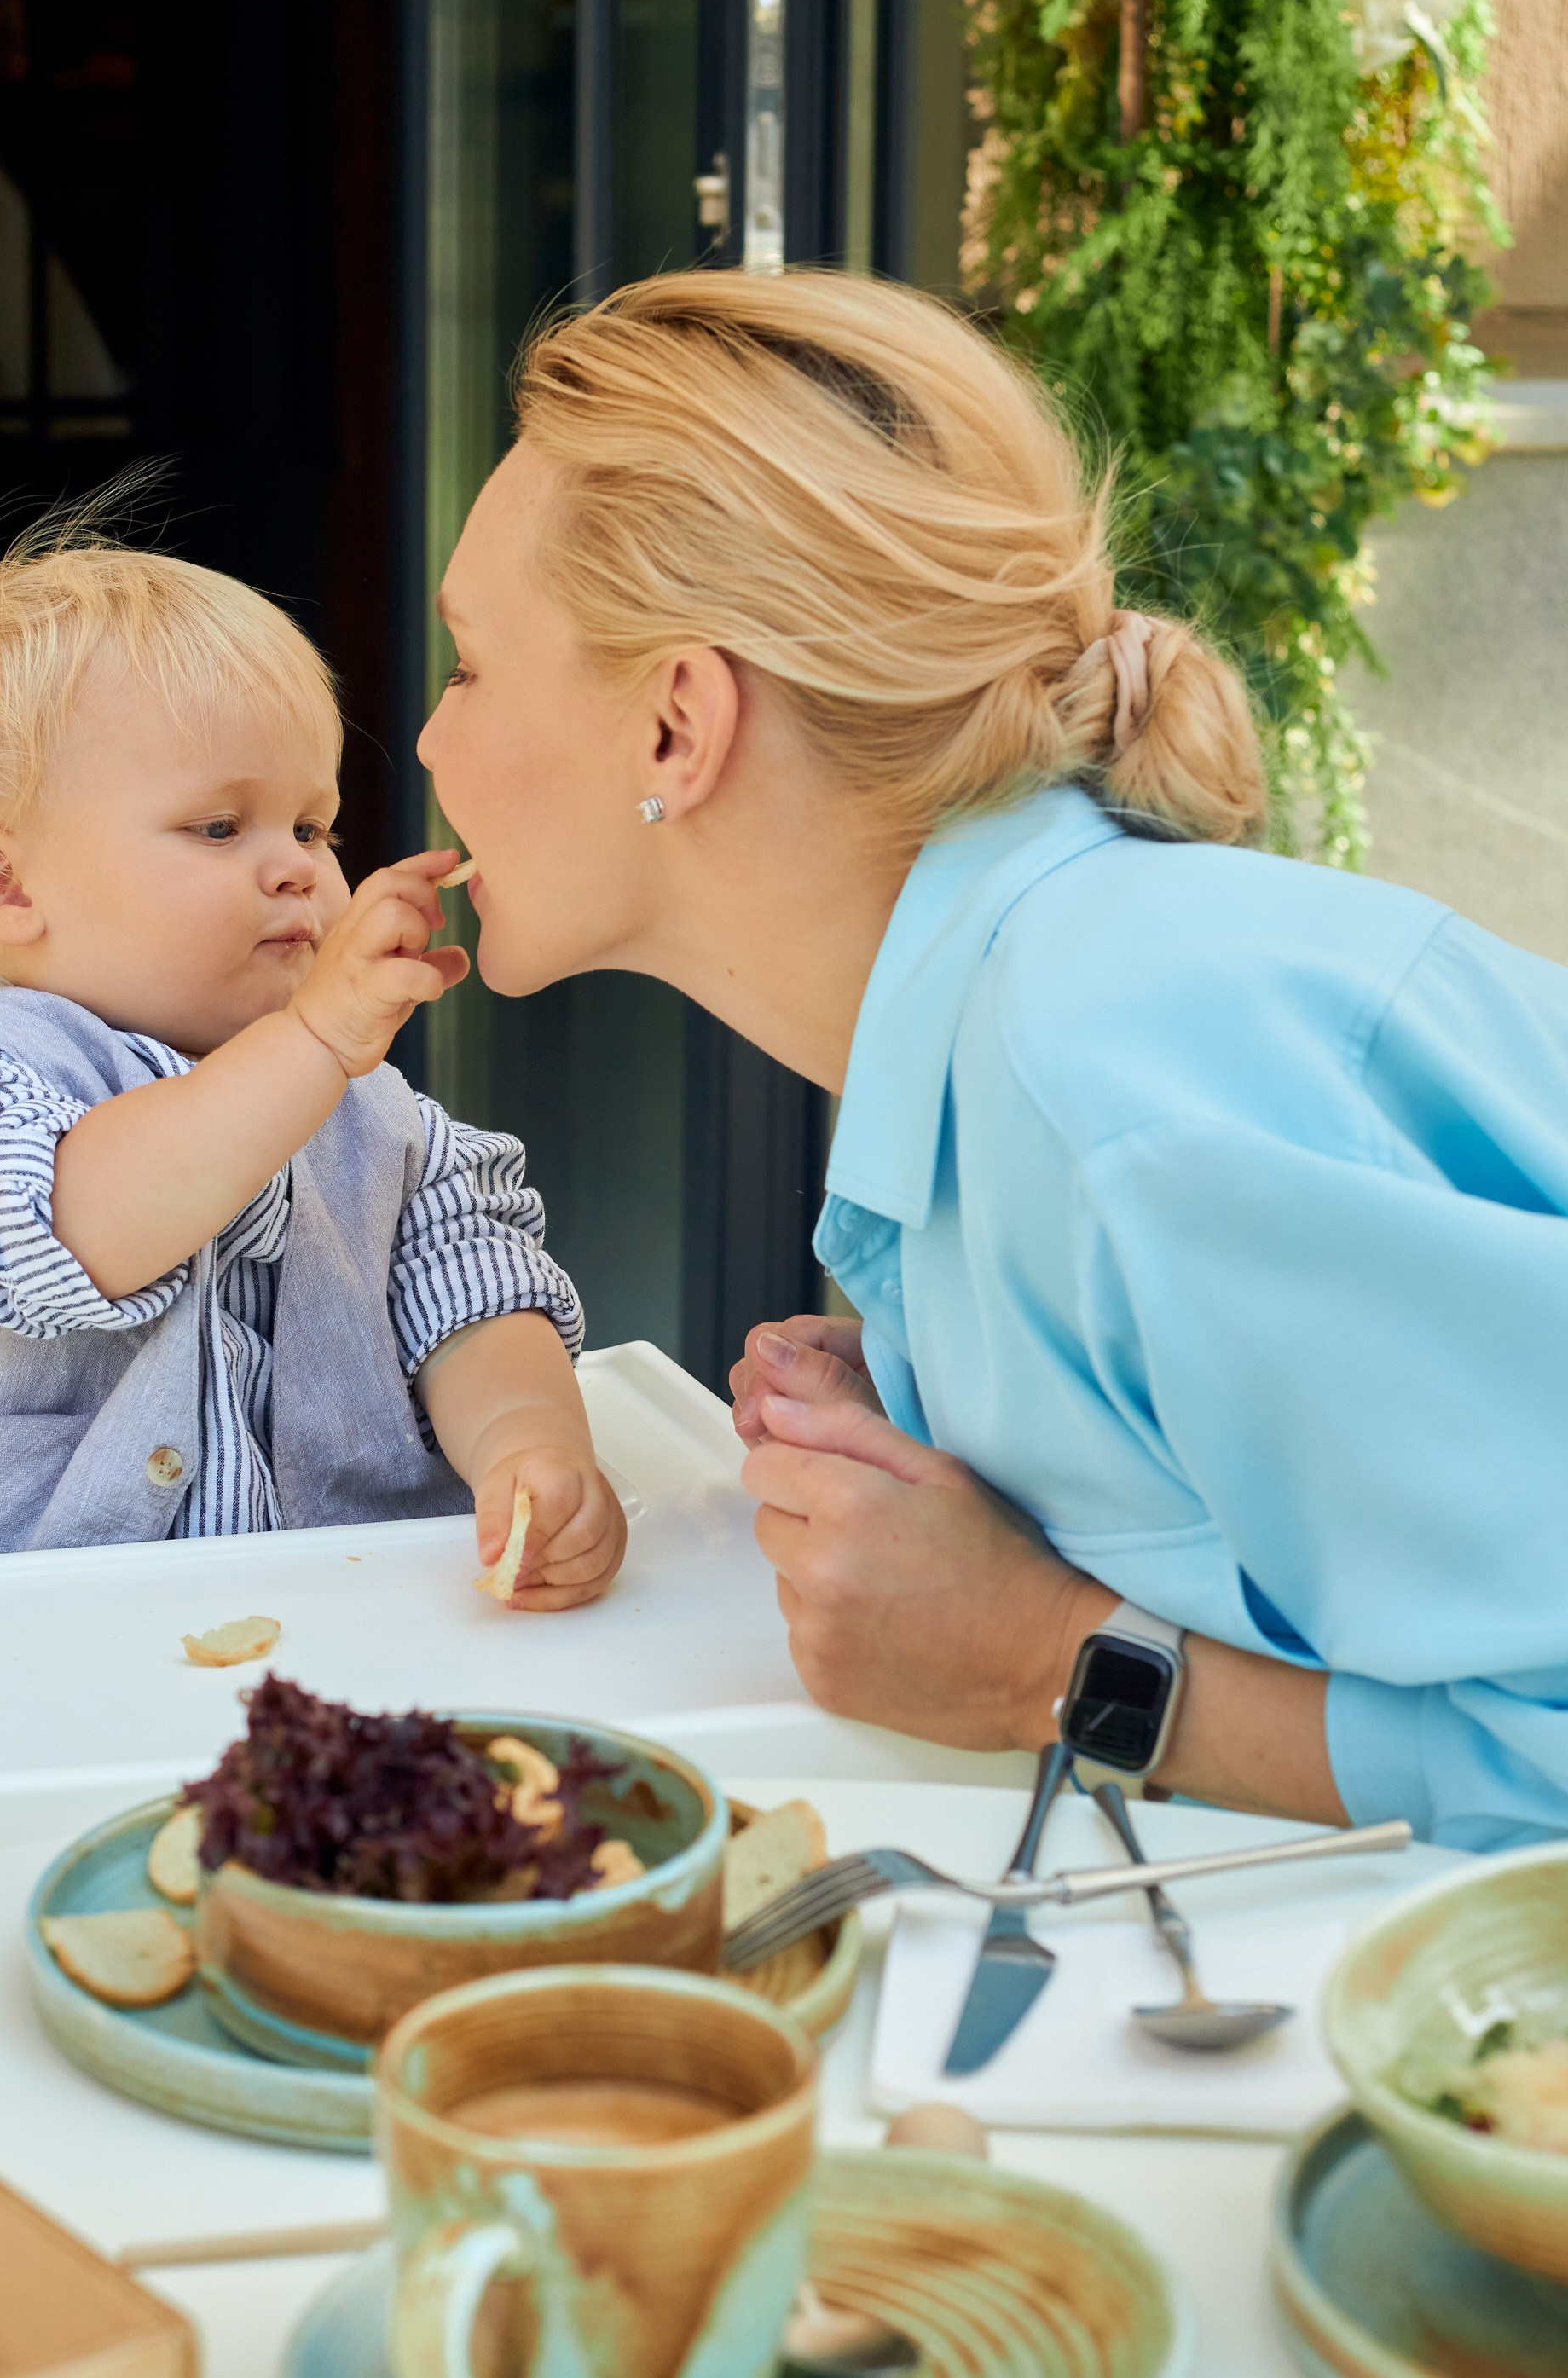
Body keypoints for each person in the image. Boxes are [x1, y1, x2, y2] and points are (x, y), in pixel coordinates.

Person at [418, 264, 1568, 1850]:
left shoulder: (1120, 1083)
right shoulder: (1009, 1060)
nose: (427, 740)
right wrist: (966, 1404)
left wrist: (1043, 1661)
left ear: (677, 728)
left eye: (469, 662)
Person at [0, 510, 625, 1608]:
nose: (295, 870)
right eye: (218, 828)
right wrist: (308, 1047)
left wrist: (529, 1447)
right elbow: (85, 1224)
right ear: (4, 888)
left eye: (312, 827)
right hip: (21, 1631)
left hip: (343, 1613)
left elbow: (476, 1294)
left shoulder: (376, 1119)